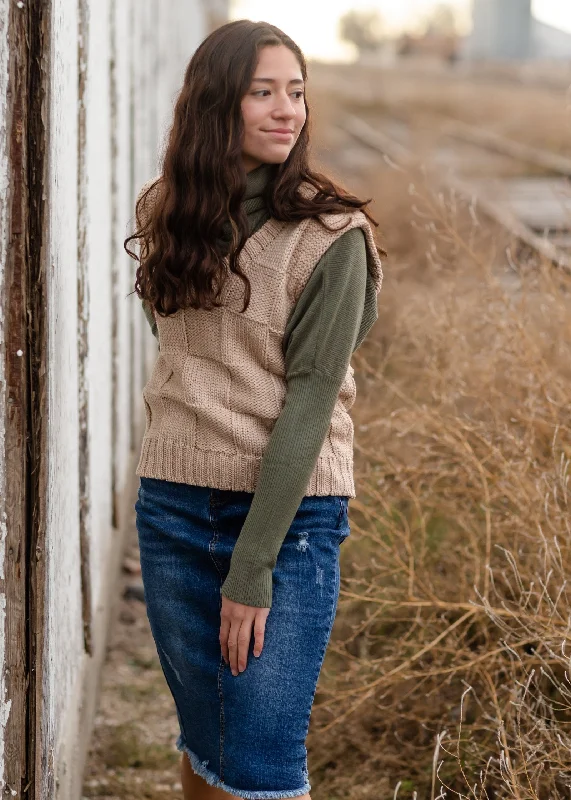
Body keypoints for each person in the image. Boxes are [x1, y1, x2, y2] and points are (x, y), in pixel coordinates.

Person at [124, 18, 383, 800]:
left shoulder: (332, 237)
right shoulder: (167, 212)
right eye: (263, 92)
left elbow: (308, 402)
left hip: (287, 522)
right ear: (215, 104)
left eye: (296, 92)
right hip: (172, 510)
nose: (287, 110)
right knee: (208, 742)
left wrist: (251, 566)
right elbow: (181, 351)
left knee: (265, 766)